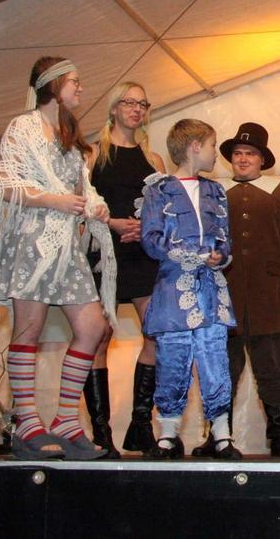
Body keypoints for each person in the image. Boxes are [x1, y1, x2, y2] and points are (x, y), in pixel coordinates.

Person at [0, 57, 114, 460]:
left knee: (93, 326)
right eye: (74, 81)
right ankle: (27, 422)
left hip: (67, 245)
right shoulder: (23, 127)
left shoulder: (71, 137)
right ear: (52, 85)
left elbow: (82, 188)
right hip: (32, 240)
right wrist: (54, 200)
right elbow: (5, 184)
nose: (80, 88)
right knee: (28, 329)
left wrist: (95, 205)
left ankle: (66, 419)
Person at [204, 122, 280, 457]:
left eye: (250, 153)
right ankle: (218, 438)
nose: (243, 159)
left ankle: (279, 437)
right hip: (226, 296)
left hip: (269, 295)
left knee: (273, 369)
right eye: (238, 153)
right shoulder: (216, 193)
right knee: (222, 370)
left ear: (262, 159)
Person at [138, 119, 239, 460]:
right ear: (195, 147)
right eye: (212, 145)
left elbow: (225, 238)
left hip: (211, 291)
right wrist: (194, 255)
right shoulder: (158, 191)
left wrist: (219, 255)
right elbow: (151, 239)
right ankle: (168, 435)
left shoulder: (216, 192)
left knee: (215, 358)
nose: (215, 153)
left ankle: (222, 435)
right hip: (173, 291)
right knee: (172, 358)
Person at [83, 82, 167, 457]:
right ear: (114, 108)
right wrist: (113, 224)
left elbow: (164, 211)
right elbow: (80, 205)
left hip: (142, 254)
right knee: (98, 337)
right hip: (104, 251)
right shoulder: (93, 154)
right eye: (129, 102)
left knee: (158, 334)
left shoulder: (155, 160)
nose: (136, 109)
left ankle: (140, 425)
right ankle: (102, 433)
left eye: (142, 104)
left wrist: (147, 227)